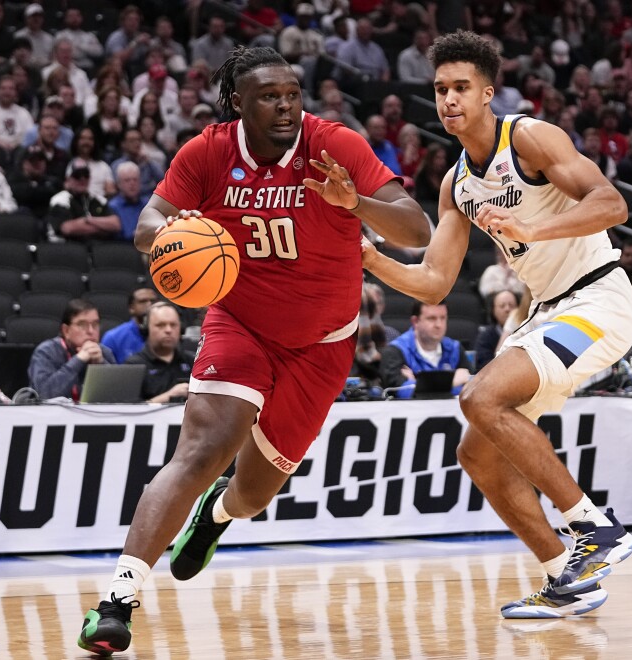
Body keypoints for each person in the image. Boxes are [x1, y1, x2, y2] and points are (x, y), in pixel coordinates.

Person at [76, 46, 429, 655]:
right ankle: (117, 600)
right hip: (239, 322)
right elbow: (145, 224)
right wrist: (178, 234)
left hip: (322, 346)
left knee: (254, 492)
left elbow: (417, 230)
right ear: (238, 102)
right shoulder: (208, 152)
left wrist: (355, 205)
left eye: (293, 94)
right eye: (270, 96)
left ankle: (217, 516)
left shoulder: (334, 145)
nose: (286, 105)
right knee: (202, 449)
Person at [360, 31, 632, 619]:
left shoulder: (530, 137)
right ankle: (566, 577)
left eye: (462, 88)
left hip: (597, 299)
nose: (449, 100)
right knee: (477, 453)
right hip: (545, 310)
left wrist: (530, 230)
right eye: (440, 90)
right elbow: (435, 281)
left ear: (488, 93)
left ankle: (595, 527)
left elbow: (612, 204)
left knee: (479, 396)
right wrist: (371, 258)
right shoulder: (457, 184)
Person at [28, 299, 116, 400]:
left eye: (95, 324)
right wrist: (78, 360)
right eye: (82, 325)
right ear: (66, 331)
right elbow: (45, 394)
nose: (91, 331)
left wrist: (101, 364)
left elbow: (120, 396)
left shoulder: (104, 352)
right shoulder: (46, 352)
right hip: (55, 415)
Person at [378, 300, 473, 392]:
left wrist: (415, 384)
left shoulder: (455, 349)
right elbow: (401, 393)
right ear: (415, 321)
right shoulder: (395, 352)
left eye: (443, 318)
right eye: (432, 318)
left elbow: (472, 391)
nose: (439, 325)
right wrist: (452, 382)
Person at [125, 302, 193, 403]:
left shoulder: (192, 362)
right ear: (146, 329)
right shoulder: (133, 365)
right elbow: (127, 411)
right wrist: (169, 396)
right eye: (160, 325)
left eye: (173, 325)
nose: (168, 330)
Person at [46, 158, 120, 241]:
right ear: (68, 180)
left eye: (86, 175)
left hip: (94, 248)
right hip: (64, 248)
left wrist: (88, 220)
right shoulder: (60, 200)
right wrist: (103, 229)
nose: (82, 179)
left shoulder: (97, 199)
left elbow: (115, 224)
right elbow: (67, 229)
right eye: (77, 176)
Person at [101, 286, 158, 363]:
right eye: (143, 301)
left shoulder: (168, 333)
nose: (149, 304)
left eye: (153, 301)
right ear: (132, 308)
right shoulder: (113, 338)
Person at [474, 289, 519, 371]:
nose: (507, 309)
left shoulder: (526, 332)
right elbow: (484, 369)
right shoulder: (485, 336)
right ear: (493, 310)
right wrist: (507, 330)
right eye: (502, 306)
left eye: (511, 305)